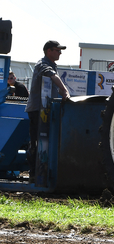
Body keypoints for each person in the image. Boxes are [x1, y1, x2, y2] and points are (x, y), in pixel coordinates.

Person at [25, 41, 71, 178]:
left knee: (45, 141)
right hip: (37, 109)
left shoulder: (52, 65)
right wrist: (65, 91)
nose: (60, 53)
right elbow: (53, 76)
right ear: (48, 51)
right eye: (57, 50)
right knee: (37, 142)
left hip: (44, 109)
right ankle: (34, 173)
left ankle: (42, 172)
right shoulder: (42, 64)